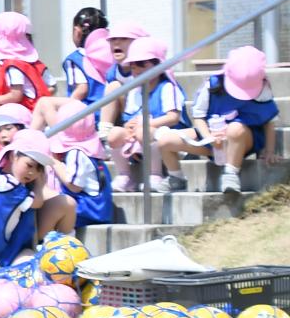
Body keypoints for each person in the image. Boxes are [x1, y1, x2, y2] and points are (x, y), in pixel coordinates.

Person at [180, 45, 280, 194]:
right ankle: (174, 177)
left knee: (235, 128)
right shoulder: (212, 85)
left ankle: (231, 173)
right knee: (167, 140)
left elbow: (269, 121)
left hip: (243, 139)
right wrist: (209, 138)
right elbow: (198, 115)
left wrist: (270, 150)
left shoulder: (263, 89)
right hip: (213, 141)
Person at [106, 36, 193, 193]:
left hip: (169, 138)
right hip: (140, 137)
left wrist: (145, 124)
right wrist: (129, 126)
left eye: (142, 64)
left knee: (144, 131)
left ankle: (155, 175)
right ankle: (125, 176)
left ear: (158, 65)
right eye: (133, 66)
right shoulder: (135, 91)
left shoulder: (167, 87)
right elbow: (128, 118)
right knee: (115, 134)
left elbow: (173, 118)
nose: (137, 70)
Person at [0, 129, 77, 266]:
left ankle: (68, 251)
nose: (32, 172)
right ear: (14, 156)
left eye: (39, 169)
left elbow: (49, 196)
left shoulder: (18, 180)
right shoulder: (5, 183)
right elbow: (37, 203)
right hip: (10, 250)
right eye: (29, 165)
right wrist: (40, 183)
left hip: (23, 238)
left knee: (66, 203)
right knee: (32, 267)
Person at [49, 116, 114, 229]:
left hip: (89, 211)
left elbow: (74, 186)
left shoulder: (77, 153)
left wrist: (54, 162)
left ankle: (46, 237)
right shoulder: (93, 148)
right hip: (99, 209)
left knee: (49, 206)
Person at [0, 11, 53, 109]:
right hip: (32, 110)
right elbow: (52, 86)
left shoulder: (13, 66)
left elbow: (16, 95)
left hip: (21, 111)